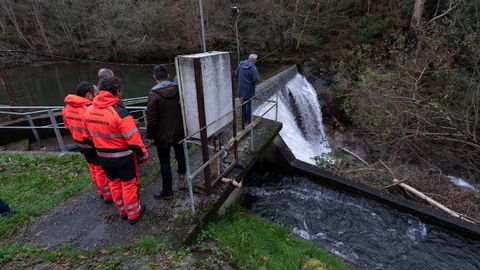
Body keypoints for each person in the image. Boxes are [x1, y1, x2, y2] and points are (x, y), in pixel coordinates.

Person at [82, 77, 148, 224]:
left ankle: (123, 211)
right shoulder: (120, 113)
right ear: (117, 91)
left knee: (114, 183)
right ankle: (134, 214)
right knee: (129, 185)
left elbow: (86, 138)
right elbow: (134, 141)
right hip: (123, 158)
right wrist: (143, 155)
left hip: (103, 158)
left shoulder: (88, 111)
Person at [62, 81, 112, 203]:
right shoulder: (87, 109)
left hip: (79, 144)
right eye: (96, 93)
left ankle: (100, 191)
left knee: (92, 168)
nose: (97, 95)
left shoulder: (67, 108)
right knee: (100, 169)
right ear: (89, 95)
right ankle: (107, 195)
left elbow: (67, 126)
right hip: (91, 144)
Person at [146, 65, 186, 200]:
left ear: (154, 77)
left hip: (162, 135)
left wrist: (150, 136)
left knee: (164, 161)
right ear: (168, 75)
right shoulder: (178, 89)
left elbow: (151, 119)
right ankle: (182, 180)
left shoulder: (154, 94)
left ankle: (167, 191)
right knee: (180, 155)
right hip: (179, 130)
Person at [235, 54, 260, 124]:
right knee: (249, 104)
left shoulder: (240, 65)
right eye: (256, 60)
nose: (256, 61)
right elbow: (256, 79)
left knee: (243, 104)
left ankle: (244, 119)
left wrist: (240, 81)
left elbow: (236, 74)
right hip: (249, 90)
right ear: (254, 60)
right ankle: (249, 120)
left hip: (240, 89)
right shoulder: (253, 67)